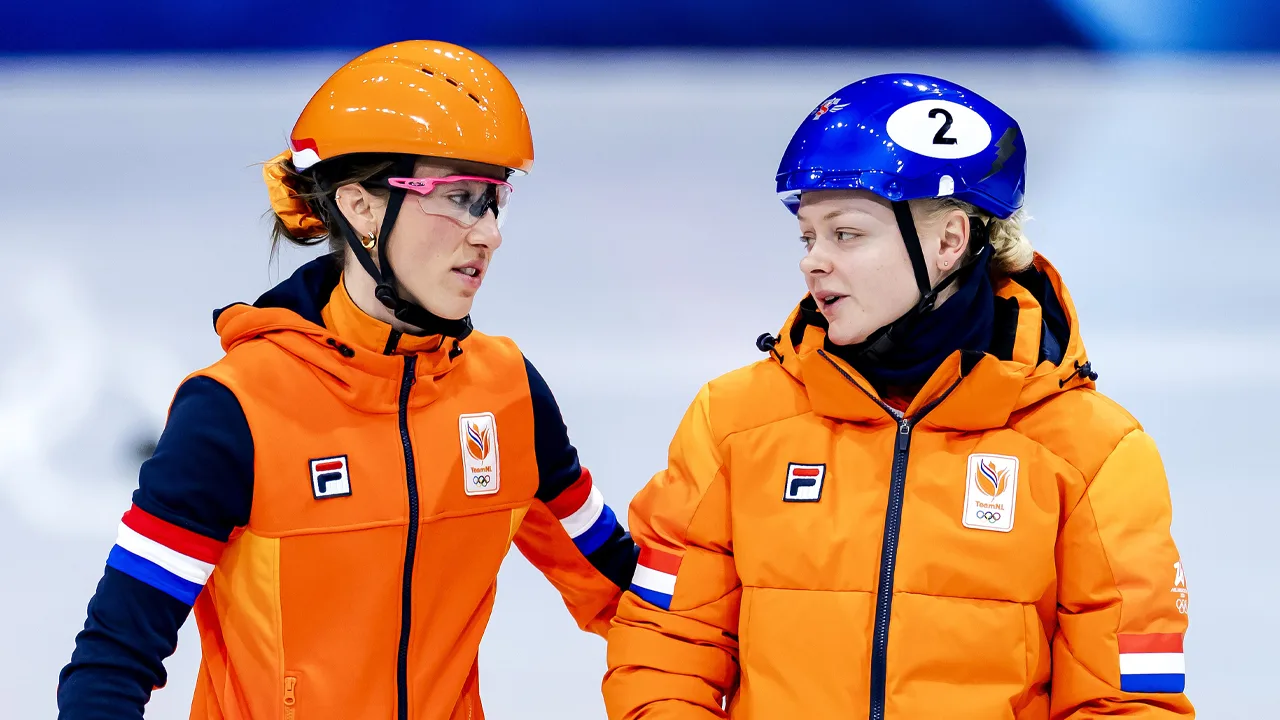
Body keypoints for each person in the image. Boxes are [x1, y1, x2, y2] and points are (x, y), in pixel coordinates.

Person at [58, 40, 636, 720]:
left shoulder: (507, 393)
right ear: (361, 208)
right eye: (456, 198)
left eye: (492, 201)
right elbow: (113, 660)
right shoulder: (236, 410)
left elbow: (627, 593)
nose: (488, 234)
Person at [603, 74, 1193, 719]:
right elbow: (663, 648)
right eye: (808, 236)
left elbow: (1128, 700)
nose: (813, 261)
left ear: (949, 241)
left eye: (847, 233)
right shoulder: (736, 423)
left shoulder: (1094, 452)